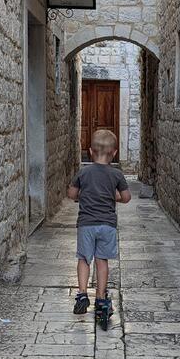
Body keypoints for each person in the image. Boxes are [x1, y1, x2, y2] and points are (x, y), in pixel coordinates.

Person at [67, 128, 131, 325]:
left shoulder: (83, 173)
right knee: (102, 261)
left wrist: (83, 195)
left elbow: (71, 194)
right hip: (108, 225)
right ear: (114, 153)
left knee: (84, 259)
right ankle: (101, 299)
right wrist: (112, 196)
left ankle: (82, 295)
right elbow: (127, 197)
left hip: (86, 224)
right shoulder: (116, 175)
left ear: (90, 151)